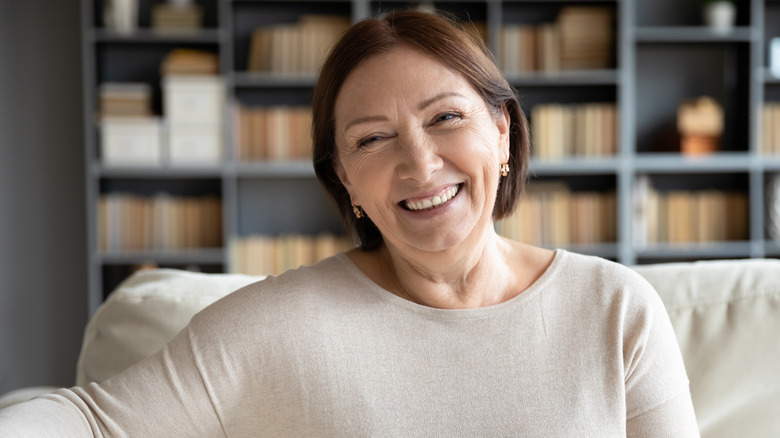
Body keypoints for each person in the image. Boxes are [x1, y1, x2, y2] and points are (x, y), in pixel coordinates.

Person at [0, 10, 699, 437]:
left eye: (446, 118)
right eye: (372, 139)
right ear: (344, 181)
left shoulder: (616, 312)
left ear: (503, 132)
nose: (420, 165)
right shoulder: (275, 325)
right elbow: (91, 425)